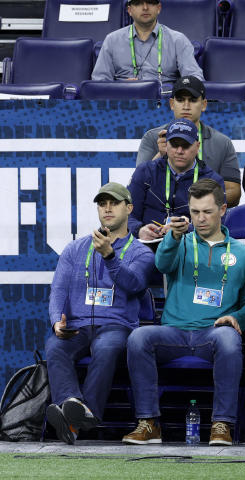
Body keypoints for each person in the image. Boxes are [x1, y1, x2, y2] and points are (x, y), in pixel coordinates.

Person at [122, 179, 245, 446]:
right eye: (195, 212)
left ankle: (222, 424)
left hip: (213, 334)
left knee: (230, 339)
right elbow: (161, 264)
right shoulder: (179, 241)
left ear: (223, 210)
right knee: (138, 338)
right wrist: (172, 237)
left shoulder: (244, 253)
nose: (200, 218)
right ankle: (148, 423)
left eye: (207, 211)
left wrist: (237, 318)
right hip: (174, 332)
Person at [44, 183, 155, 445]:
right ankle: (75, 412)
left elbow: (135, 284)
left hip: (116, 326)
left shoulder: (141, 252)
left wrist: (110, 257)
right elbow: (58, 289)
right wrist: (56, 321)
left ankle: (81, 415)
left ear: (128, 208)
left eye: (114, 203)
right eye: (102, 203)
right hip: (78, 326)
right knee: (55, 346)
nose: (107, 208)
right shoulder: (75, 249)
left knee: (106, 347)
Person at [135, 76, 241, 208]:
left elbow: (234, 192)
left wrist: (195, 205)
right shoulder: (152, 137)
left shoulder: (222, 142)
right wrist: (161, 155)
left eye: (192, 100)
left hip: (203, 218)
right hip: (160, 217)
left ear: (203, 105)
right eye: (180, 100)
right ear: (172, 104)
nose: (186, 106)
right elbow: (138, 186)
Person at [128, 119, 225, 242]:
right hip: (147, 247)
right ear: (166, 145)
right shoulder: (145, 172)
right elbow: (126, 215)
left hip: (191, 246)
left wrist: (188, 229)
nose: (179, 151)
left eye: (185, 145)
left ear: (197, 146)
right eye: (174, 144)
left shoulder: (213, 180)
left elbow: (219, 224)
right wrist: (139, 230)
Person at [91, 0, 202, 85]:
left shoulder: (178, 40)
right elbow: (99, 81)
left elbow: (195, 78)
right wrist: (120, 87)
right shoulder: (112, 40)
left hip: (164, 100)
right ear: (129, 10)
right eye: (138, 3)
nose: (145, 7)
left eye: (150, 2)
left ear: (158, 8)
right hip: (124, 100)